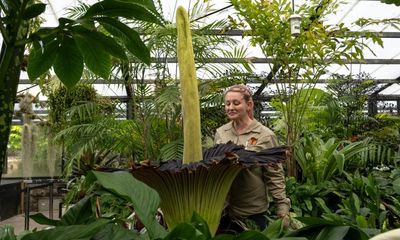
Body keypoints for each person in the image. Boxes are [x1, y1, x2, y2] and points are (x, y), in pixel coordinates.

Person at [214, 84, 290, 233]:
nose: (230, 107)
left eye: (236, 103)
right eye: (227, 103)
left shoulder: (264, 135)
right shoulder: (221, 133)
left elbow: (274, 174)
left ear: (248, 105)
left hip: (252, 212)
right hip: (222, 211)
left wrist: (282, 207)